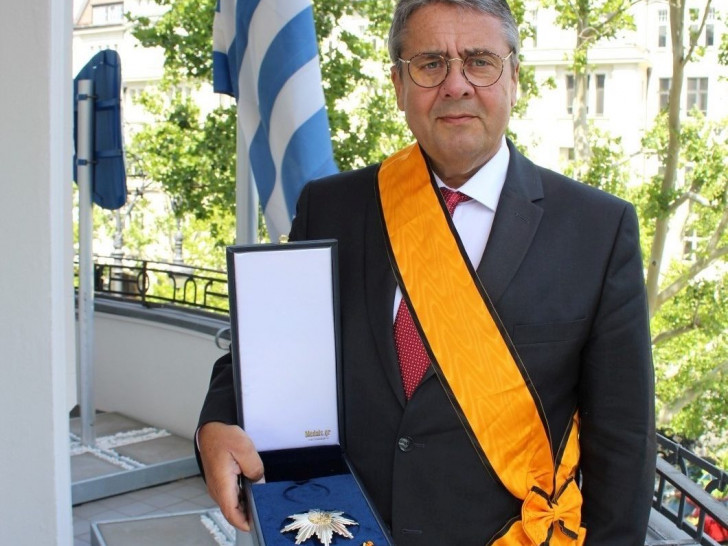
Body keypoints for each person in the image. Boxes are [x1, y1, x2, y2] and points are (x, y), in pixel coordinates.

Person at [197, 0, 657, 544]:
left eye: (480, 61)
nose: (456, 84)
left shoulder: (597, 230)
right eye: (430, 63)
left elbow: (622, 443)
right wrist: (216, 421)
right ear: (398, 84)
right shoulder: (332, 207)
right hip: (347, 527)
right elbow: (273, 342)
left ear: (514, 77)